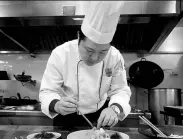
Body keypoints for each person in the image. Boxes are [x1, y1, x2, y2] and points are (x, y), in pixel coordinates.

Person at [39, 1, 131, 129]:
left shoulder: (114, 56)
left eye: (103, 52)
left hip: (100, 118)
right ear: (78, 38)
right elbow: (47, 91)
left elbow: (121, 90)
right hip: (66, 118)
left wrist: (115, 108)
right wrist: (56, 105)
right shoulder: (61, 54)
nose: (94, 58)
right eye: (89, 50)